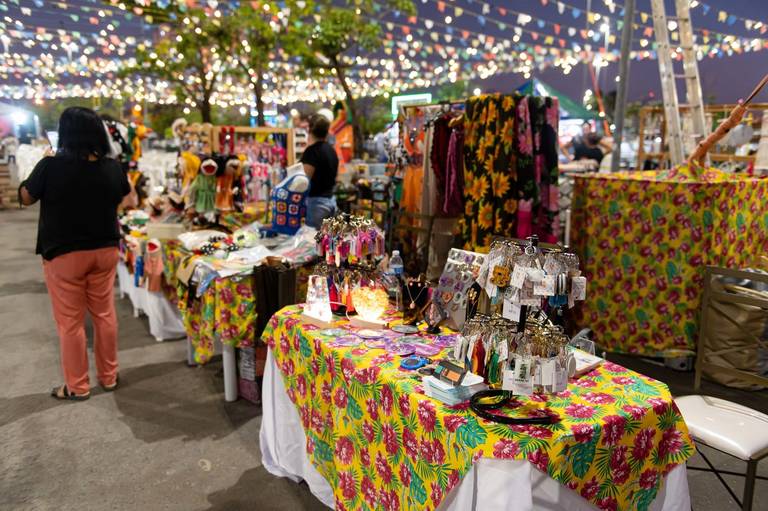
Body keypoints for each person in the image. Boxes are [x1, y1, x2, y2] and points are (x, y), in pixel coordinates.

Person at [19, 106, 131, 401]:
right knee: (105, 314)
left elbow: (26, 197)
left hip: (64, 253)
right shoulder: (111, 166)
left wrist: (42, 164)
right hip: (105, 249)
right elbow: (125, 196)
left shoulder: (50, 165)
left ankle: (77, 386)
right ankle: (109, 377)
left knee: (70, 322)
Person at [301, 114, 340, 228]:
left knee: (313, 238)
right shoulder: (331, 151)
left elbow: (304, 180)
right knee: (328, 238)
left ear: (310, 129)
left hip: (317, 204)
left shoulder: (312, 152)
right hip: (331, 201)